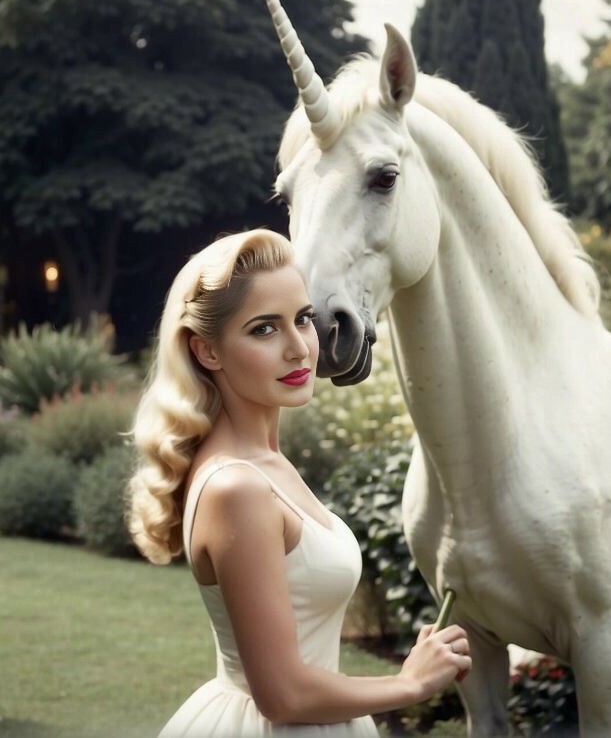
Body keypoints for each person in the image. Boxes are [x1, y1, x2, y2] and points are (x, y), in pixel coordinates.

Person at [128, 228, 471, 737]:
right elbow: (282, 695)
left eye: (303, 319)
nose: (298, 348)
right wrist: (409, 683)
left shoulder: (265, 464)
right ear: (207, 352)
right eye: (264, 329)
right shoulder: (236, 488)